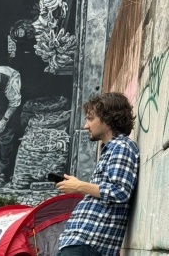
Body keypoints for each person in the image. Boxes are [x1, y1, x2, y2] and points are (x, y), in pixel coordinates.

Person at [56, 92, 139, 256]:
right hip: (81, 243)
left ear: (108, 120)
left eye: (90, 119)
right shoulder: (111, 149)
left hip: (88, 245)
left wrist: (79, 186)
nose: (86, 125)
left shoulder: (121, 147)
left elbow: (120, 192)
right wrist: (79, 184)